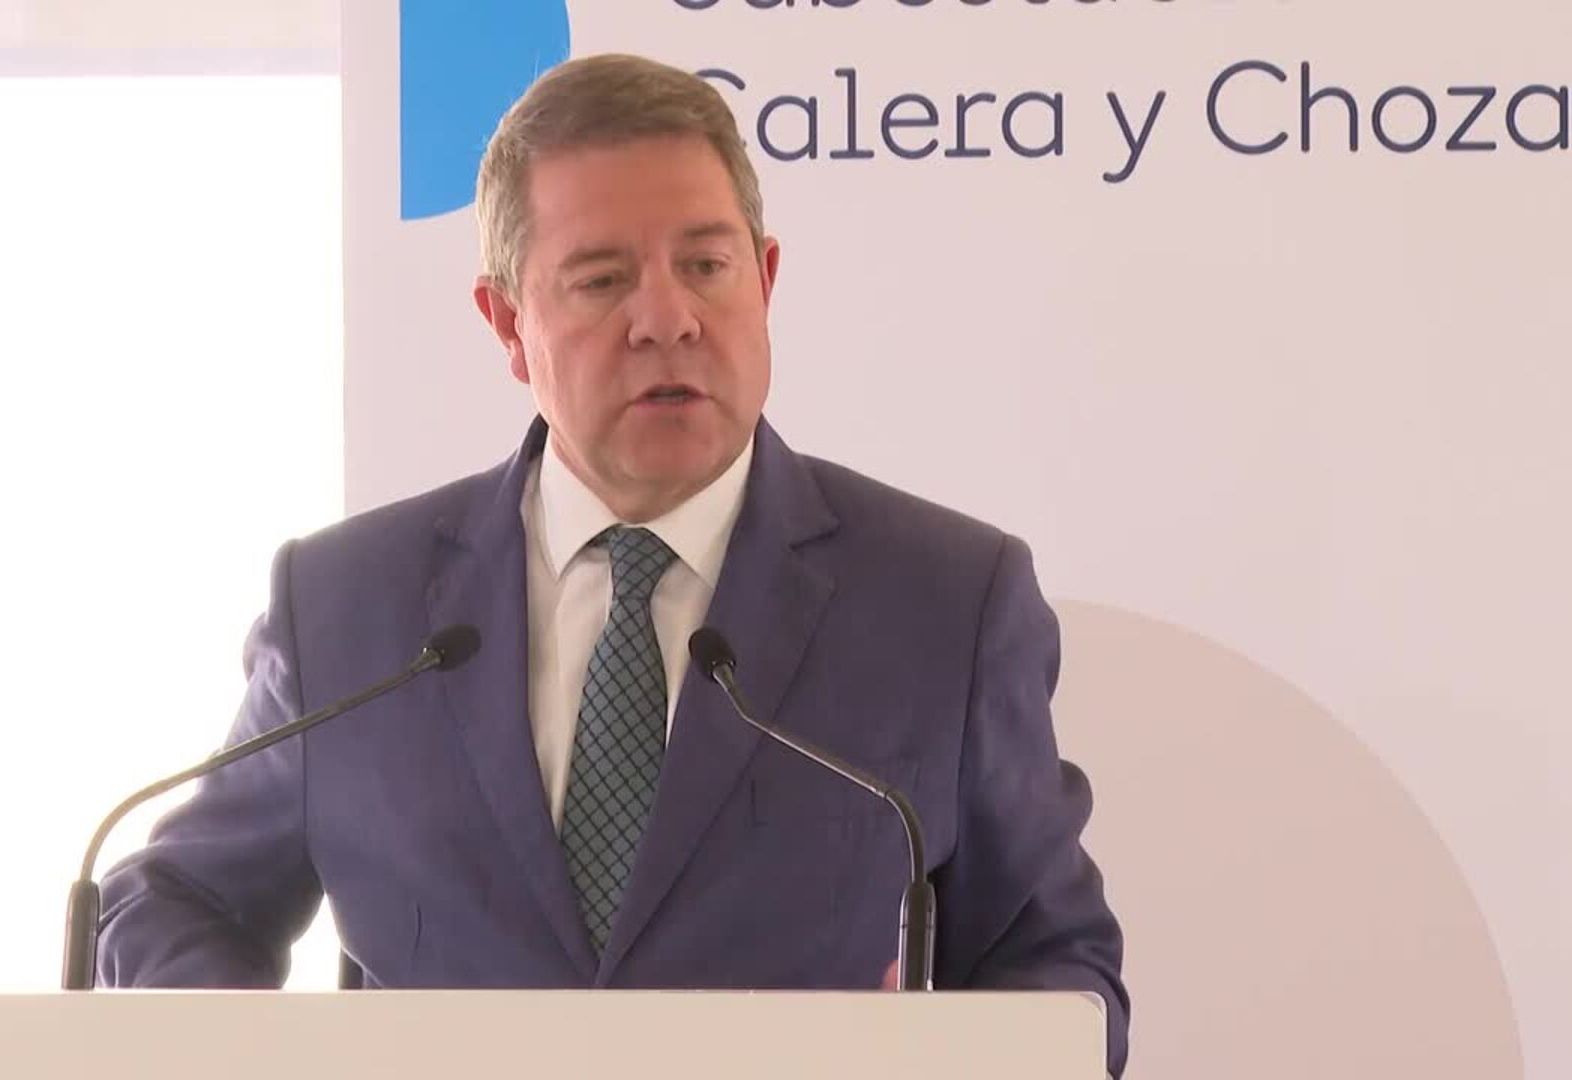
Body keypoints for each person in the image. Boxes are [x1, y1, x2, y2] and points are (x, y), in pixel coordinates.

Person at [98, 53, 1129, 1076]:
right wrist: (266, 1057)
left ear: (765, 282)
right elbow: (169, 901)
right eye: (602, 280)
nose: (667, 319)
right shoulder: (347, 612)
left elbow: (1056, 963)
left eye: (707, 266)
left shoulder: (945, 604)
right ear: (508, 323)